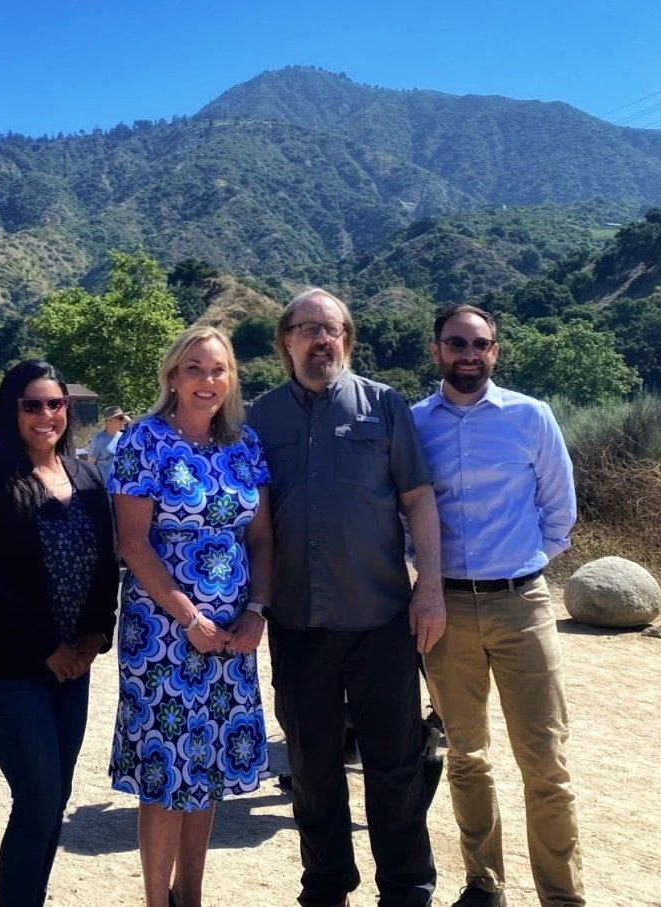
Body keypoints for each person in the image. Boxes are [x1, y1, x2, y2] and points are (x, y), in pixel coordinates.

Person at [246, 287, 445, 907]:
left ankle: (408, 888)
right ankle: (327, 886)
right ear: (286, 341)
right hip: (299, 622)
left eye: (331, 329)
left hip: (382, 616)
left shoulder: (384, 406)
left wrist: (430, 589)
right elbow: (249, 521)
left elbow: (418, 500)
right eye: (306, 329)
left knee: (396, 763)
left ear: (347, 340)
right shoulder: (259, 418)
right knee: (312, 769)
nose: (319, 339)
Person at [411, 304, 582, 907]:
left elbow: (559, 511)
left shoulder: (530, 418)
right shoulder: (413, 425)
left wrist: (524, 563)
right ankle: (485, 885)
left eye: (479, 344)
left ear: (495, 352)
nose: (468, 353)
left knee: (546, 763)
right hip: (445, 609)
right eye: (456, 343)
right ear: (436, 351)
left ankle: (561, 896)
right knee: (466, 756)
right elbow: (406, 514)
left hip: (522, 605)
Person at [109, 325, 274, 907]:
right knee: (163, 770)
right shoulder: (143, 442)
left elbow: (261, 539)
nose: (207, 381)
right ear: (173, 377)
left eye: (218, 370)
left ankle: (191, 898)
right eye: (194, 369)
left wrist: (255, 613)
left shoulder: (244, 445)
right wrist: (187, 619)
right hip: (163, 633)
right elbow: (133, 543)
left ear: (231, 379)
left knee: (206, 768)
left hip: (233, 632)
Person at [0, 360, 118, 907]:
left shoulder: (88, 475)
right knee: (40, 797)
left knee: (57, 796)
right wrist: (49, 648)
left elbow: (103, 566)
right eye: (32, 405)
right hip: (8, 665)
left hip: (74, 664)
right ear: (11, 411)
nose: (46, 415)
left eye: (55, 404)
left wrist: (94, 636)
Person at [86, 405, 130, 484]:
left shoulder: (123, 437)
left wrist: (131, 423)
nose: (123, 421)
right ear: (109, 420)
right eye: (120, 418)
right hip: (105, 486)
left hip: (121, 486)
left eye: (123, 418)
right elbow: (90, 465)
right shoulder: (98, 439)